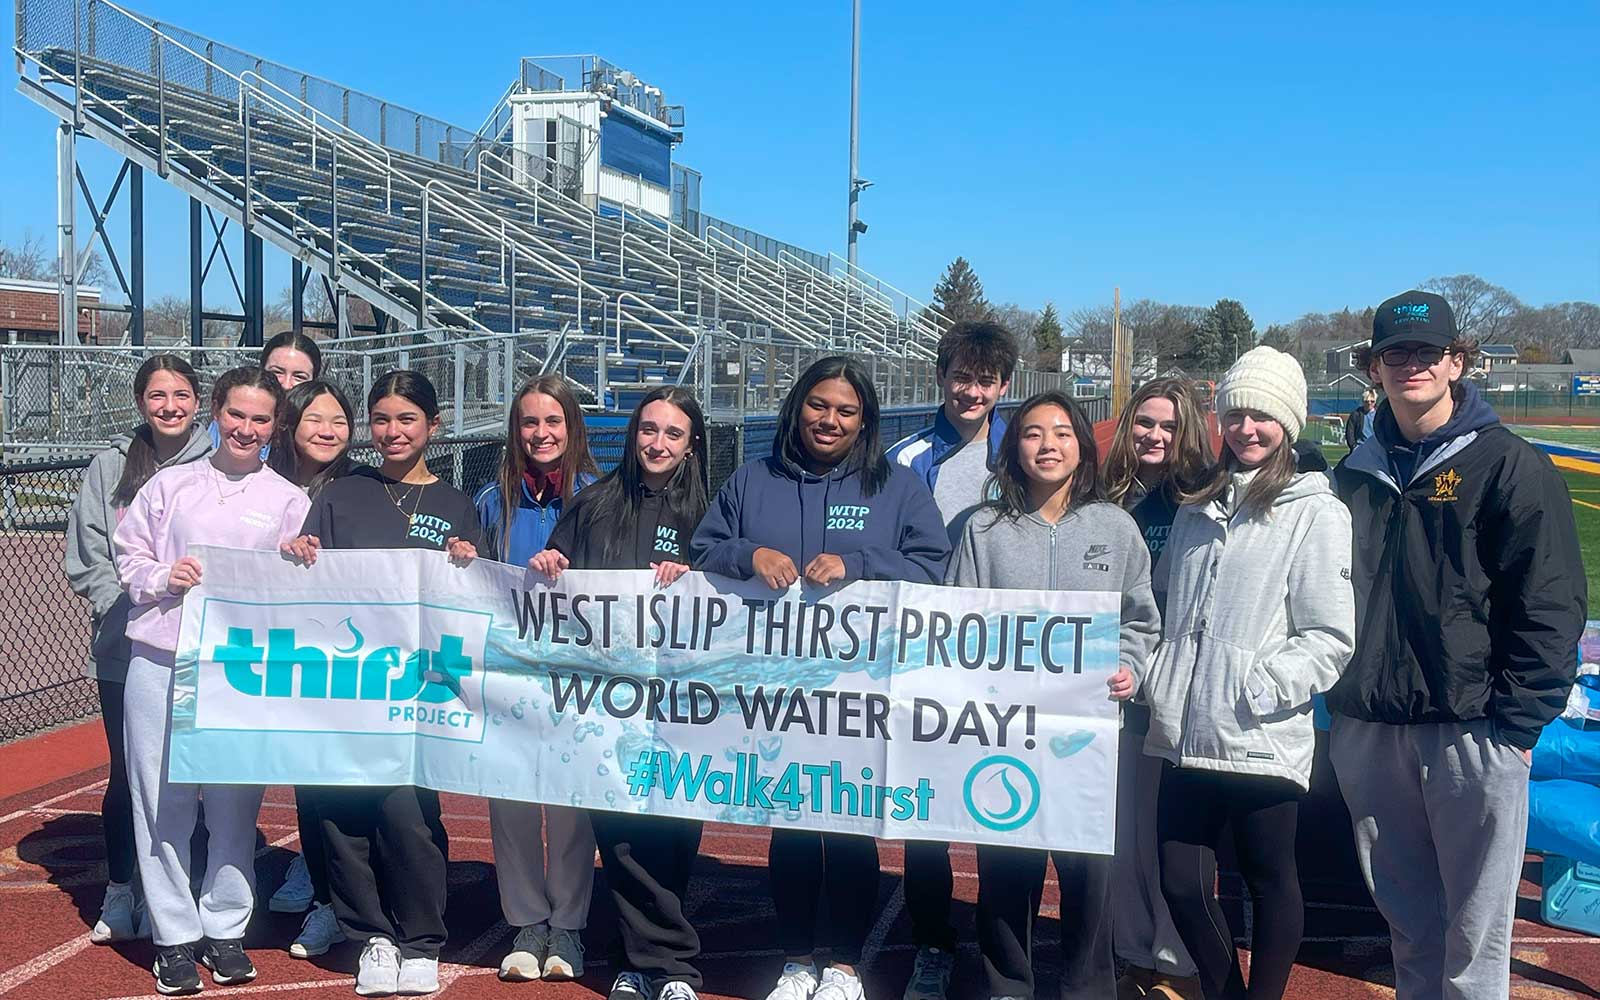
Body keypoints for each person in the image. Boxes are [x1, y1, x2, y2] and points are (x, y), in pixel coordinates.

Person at [1328, 291, 1585, 1000]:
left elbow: (1552, 598)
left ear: (1455, 362)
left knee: (1477, 939)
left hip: (1472, 728)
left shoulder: (1509, 465)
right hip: (1370, 726)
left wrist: (1518, 723)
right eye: (1394, 353)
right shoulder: (1351, 474)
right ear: (1374, 368)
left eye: (1425, 351)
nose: (1410, 364)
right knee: (1409, 923)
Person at [692, 355, 949, 1000]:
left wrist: (860, 562)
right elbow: (703, 549)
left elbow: (933, 567)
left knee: (852, 827)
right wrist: (752, 554)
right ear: (796, 406)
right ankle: (797, 958)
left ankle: (845, 967)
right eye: (818, 405)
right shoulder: (753, 480)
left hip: (864, 695)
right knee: (793, 825)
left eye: (846, 410)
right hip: (776, 695)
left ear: (865, 420)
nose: (829, 420)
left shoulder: (895, 485)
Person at [1143, 346, 1355, 1000]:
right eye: (1235, 414)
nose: (1247, 429)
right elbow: (1164, 605)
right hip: (1183, 728)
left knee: (1268, 880)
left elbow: (1329, 635)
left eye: (1263, 415)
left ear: (1288, 423)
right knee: (1180, 882)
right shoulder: (1194, 506)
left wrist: (1260, 687)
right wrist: (1158, 673)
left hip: (1258, 733)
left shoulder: (1316, 511)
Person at [946, 390, 1159, 1000]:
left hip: (1087, 738)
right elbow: (961, 625)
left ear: (1081, 448)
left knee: (1089, 877)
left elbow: (1141, 621)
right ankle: (1007, 986)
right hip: (1005, 733)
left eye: (1062, 433)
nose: (1048, 445)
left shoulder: (1115, 528)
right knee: (1006, 872)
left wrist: (1127, 668)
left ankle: (1089, 989)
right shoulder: (983, 530)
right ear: (1014, 447)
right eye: (1033, 433)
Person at [282, 370, 481, 998]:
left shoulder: (455, 504)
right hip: (347, 685)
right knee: (343, 812)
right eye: (382, 420)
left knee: (409, 813)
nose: (393, 433)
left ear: (433, 426)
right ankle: (370, 935)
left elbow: (479, 601)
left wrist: (469, 563)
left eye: (407, 420)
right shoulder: (341, 495)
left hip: (416, 692)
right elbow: (306, 584)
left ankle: (421, 940)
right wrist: (300, 552)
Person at [113, 366, 309, 995]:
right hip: (161, 658)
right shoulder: (169, 486)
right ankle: (173, 935)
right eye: (236, 415)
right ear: (215, 414)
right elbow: (129, 555)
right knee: (161, 799)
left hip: (239, 670)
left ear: (275, 426)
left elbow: (302, 587)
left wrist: (303, 561)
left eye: (260, 419)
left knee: (232, 805)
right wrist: (163, 577)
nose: (246, 429)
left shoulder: (287, 499)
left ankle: (224, 927)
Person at [527, 386, 710, 1000]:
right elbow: (557, 577)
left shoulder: (709, 511)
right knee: (622, 835)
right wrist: (550, 562)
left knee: (675, 835)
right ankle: (662, 966)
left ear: (691, 445)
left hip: (683, 707)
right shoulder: (592, 503)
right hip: (605, 703)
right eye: (648, 430)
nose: (657, 443)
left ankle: (646, 956)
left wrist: (698, 578)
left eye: (673, 434)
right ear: (632, 435)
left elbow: (734, 589)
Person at [884, 318, 1017, 1000]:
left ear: (1003, 385)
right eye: (962, 376)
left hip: (1004, 660)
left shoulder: (1021, 450)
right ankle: (933, 943)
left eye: (986, 379)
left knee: (1005, 802)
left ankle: (1002, 948)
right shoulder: (906, 457)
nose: (972, 390)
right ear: (942, 377)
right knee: (923, 812)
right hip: (925, 654)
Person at [65, 354, 214, 946]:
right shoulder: (110, 468)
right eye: (158, 396)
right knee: (130, 776)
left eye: (181, 395)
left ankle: (177, 894)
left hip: (204, 651)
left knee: (196, 778)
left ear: (198, 402)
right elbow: (90, 552)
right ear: (140, 403)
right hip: (127, 652)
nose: (170, 406)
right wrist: (130, 604)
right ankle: (123, 887)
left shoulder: (220, 465)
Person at [474, 375, 600, 984]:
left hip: (577, 673)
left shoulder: (600, 495)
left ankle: (569, 925)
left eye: (553, 422)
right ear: (515, 430)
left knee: (573, 799)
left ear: (571, 427)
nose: (541, 434)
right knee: (512, 796)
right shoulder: (492, 500)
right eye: (529, 422)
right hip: (509, 671)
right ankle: (527, 921)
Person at [1101, 378, 1214, 1000]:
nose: (1155, 435)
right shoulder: (1104, 495)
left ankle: (1175, 962)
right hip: (1114, 684)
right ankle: (1129, 951)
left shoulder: (1203, 499)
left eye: (1169, 426)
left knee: (1172, 835)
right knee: (1122, 833)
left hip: (1179, 686)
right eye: (1145, 422)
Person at [265, 380, 356, 960]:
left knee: (348, 784)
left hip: (350, 662)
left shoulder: (363, 490)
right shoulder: (267, 490)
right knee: (309, 781)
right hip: (283, 655)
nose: (327, 430)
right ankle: (321, 889)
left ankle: (349, 898)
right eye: (314, 419)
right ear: (290, 426)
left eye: (338, 420)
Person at [211, 331, 323, 451]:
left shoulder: (320, 432)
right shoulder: (228, 424)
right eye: (277, 372)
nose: (286, 384)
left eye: (299, 377)